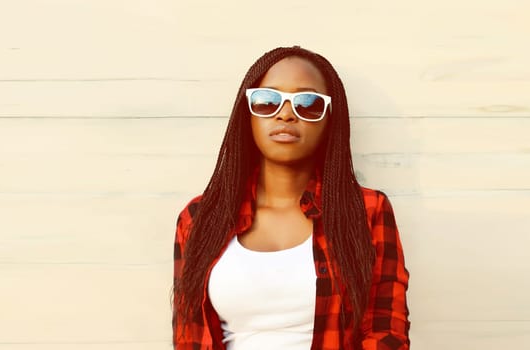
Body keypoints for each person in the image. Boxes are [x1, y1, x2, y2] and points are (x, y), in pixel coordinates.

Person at [172, 46, 410, 350]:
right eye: (267, 101)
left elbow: (386, 332)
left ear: (329, 120)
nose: (285, 114)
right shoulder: (198, 219)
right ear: (248, 114)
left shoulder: (368, 212)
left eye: (307, 103)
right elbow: (189, 338)